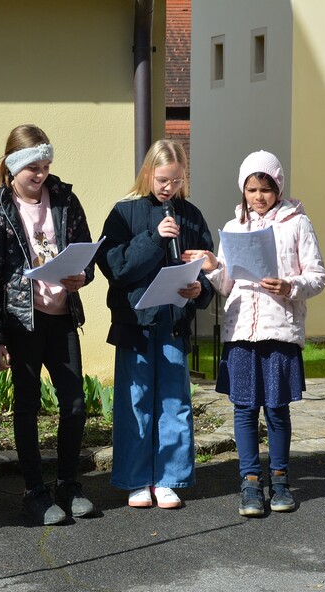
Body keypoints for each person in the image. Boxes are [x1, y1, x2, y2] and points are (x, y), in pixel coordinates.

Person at [187, 150, 325, 517]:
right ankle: (250, 482)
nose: (258, 197)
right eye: (251, 189)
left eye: (265, 189)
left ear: (278, 188)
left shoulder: (298, 223)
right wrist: (213, 267)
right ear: (243, 190)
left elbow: (318, 276)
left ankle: (280, 481)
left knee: (277, 409)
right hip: (241, 333)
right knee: (245, 409)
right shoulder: (233, 228)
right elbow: (227, 286)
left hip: (279, 330)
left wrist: (290, 286)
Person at [0, 125, 96, 526]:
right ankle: (34, 491)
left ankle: (68, 483)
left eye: (46, 166)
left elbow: (85, 252)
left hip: (62, 317)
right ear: (14, 167)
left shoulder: (65, 199)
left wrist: (83, 275)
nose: (42, 174)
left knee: (74, 404)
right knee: (27, 407)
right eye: (34, 168)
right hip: (22, 322)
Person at [96, 139, 214, 510]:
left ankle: (168, 479)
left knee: (174, 402)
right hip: (135, 322)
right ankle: (135, 480)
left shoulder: (191, 215)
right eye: (163, 180)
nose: (169, 188)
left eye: (177, 181)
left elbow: (208, 265)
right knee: (136, 401)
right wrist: (153, 238)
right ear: (148, 172)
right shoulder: (124, 212)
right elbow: (115, 268)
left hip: (173, 321)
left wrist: (200, 288)